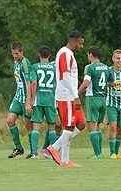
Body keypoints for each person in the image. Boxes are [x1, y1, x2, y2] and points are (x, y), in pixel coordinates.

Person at [47, 30, 86, 166]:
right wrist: (75, 97)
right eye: (80, 44)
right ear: (73, 42)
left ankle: (55, 147)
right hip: (66, 96)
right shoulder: (65, 53)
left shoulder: (68, 54)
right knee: (69, 127)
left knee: (81, 124)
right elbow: (65, 76)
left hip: (70, 95)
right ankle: (64, 159)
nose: (82, 47)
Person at [78, 46, 110, 158]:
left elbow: (86, 83)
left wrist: (76, 94)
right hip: (102, 98)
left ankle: (97, 154)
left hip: (92, 98)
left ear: (90, 55)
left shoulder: (89, 67)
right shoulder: (106, 68)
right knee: (97, 128)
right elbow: (110, 83)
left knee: (92, 127)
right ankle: (99, 153)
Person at [25, 45, 57, 159]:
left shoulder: (35, 67)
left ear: (39, 55)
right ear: (49, 56)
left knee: (36, 127)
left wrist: (32, 99)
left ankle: (34, 153)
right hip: (51, 100)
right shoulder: (54, 68)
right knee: (52, 127)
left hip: (38, 101)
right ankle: (53, 153)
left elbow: (33, 82)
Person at [7, 41, 33, 159]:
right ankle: (19, 148)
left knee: (28, 124)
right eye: (13, 54)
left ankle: (33, 151)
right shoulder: (15, 63)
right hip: (18, 97)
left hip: (26, 98)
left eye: (17, 53)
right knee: (10, 120)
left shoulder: (25, 63)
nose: (15, 56)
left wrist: (29, 101)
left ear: (22, 52)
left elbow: (29, 82)